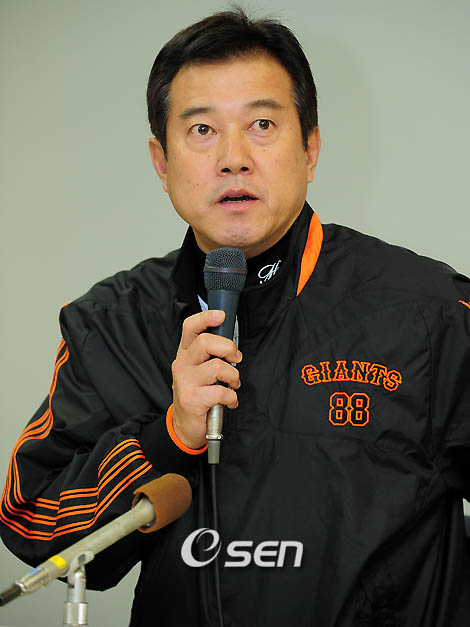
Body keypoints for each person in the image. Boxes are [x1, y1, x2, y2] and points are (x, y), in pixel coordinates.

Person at [1, 6, 470, 627]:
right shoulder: (111, 325)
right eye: (202, 130)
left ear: (310, 148)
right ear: (161, 162)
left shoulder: (429, 312)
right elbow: (32, 522)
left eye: (262, 124)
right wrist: (170, 436)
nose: (233, 158)